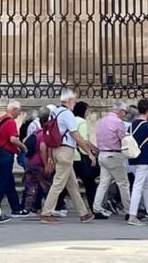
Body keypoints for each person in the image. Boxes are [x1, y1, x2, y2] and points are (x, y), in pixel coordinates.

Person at [39, 90, 98, 224]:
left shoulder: (54, 112)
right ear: (69, 101)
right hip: (65, 150)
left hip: (56, 149)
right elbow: (75, 135)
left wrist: (50, 156)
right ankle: (46, 212)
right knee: (59, 183)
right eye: (74, 101)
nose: (75, 103)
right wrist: (89, 152)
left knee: (72, 184)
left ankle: (84, 213)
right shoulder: (67, 114)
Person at [125, 99, 148, 226]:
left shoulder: (132, 125)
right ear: (147, 111)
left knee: (147, 185)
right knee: (138, 186)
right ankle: (132, 215)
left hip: (133, 157)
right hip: (144, 158)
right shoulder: (147, 126)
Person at [92, 101, 127, 219]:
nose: (124, 114)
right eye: (124, 112)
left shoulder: (101, 121)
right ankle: (129, 210)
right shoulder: (118, 122)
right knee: (123, 183)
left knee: (103, 183)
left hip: (102, 154)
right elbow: (123, 138)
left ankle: (96, 208)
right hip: (113, 154)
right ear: (120, 111)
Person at [0, 100, 25, 216]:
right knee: (3, 182)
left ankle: (16, 208)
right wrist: (23, 147)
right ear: (14, 110)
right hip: (6, 154)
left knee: (9, 181)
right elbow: (13, 139)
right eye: (19, 111)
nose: (19, 114)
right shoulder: (11, 122)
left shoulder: (2, 119)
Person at [22, 108, 52, 215]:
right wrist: (46, 165)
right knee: (47, 185)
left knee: (31, 185)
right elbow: (43, 148)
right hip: (38, 163)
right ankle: (49, 207)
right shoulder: (44, 134)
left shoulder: (36, 132)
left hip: (30, 162)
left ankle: (28, 208)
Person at [71, 101, 99, 213]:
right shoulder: (82, 122)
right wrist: (94, 151)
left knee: (66, 183)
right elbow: (84, 141)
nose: (88, 113)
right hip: (80, 156)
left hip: (71, 154)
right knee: (89, 182)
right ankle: (93, 207)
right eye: (87, 110)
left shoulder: (71, 120)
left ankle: (57, 206)